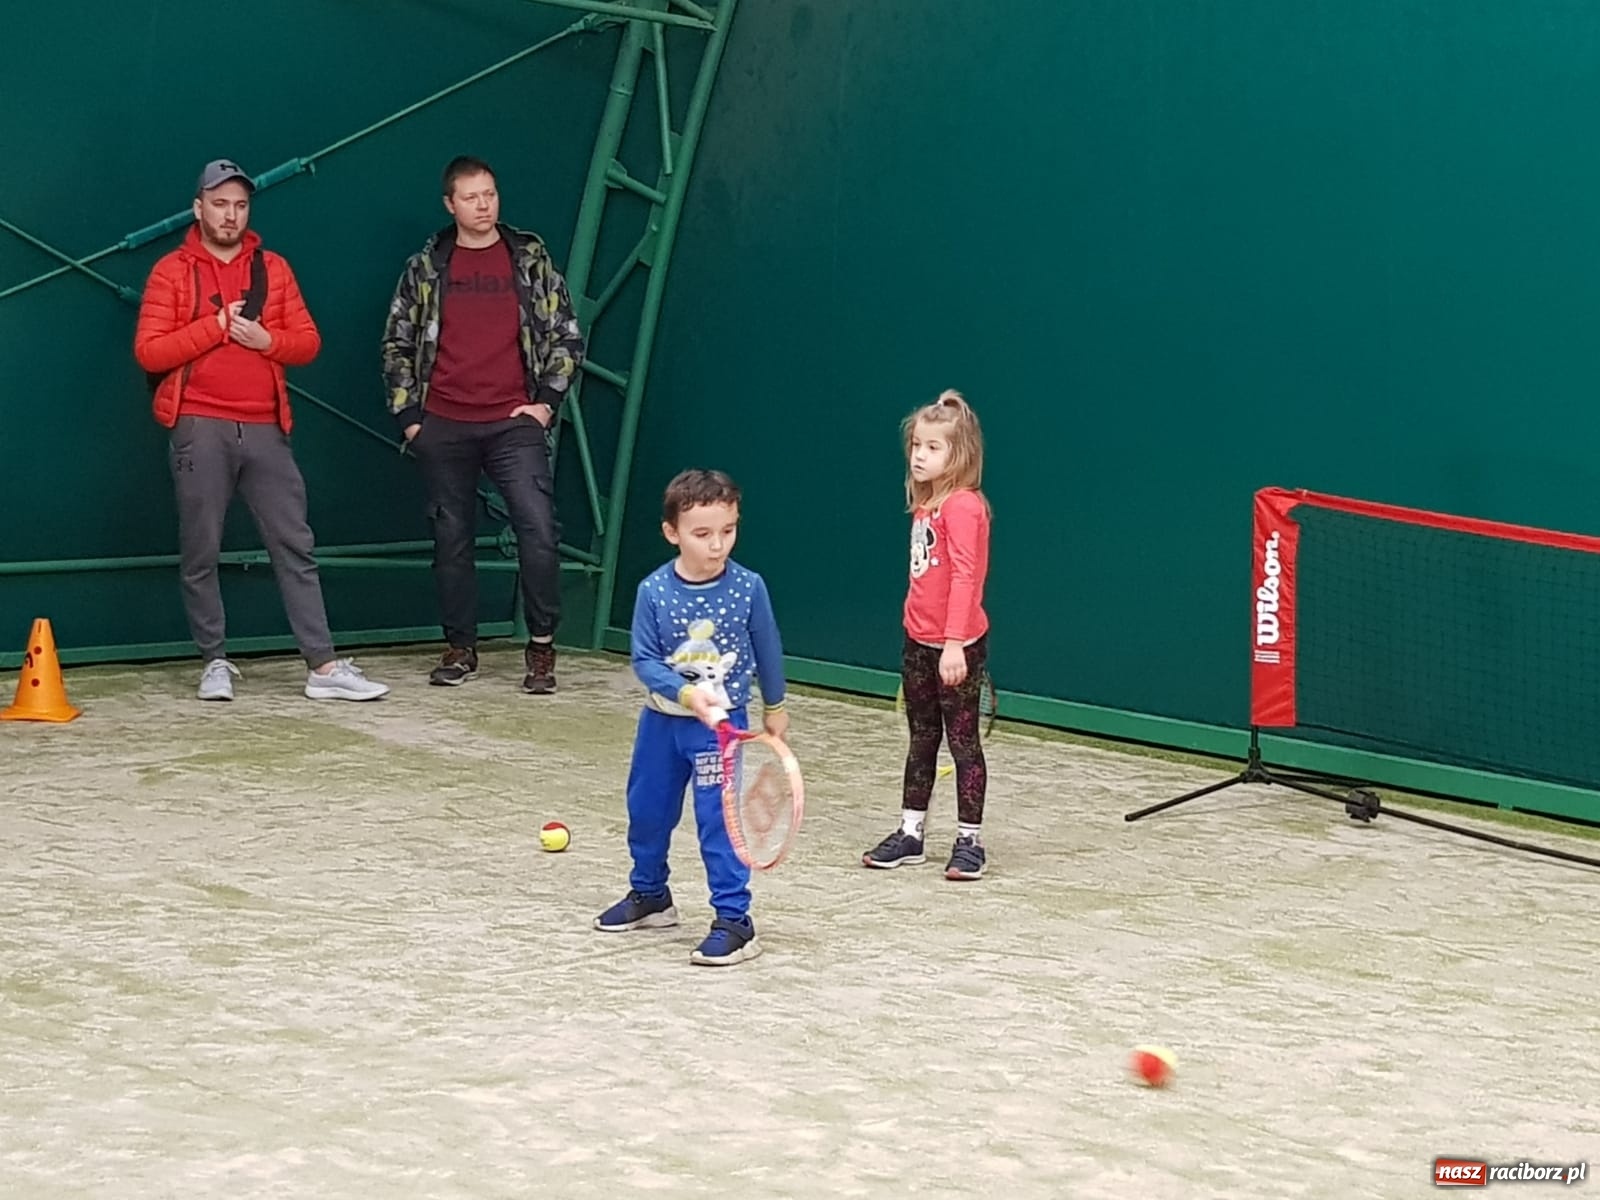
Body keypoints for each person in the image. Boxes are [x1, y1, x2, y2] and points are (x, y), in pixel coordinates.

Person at [133, 159, 389, 704]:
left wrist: (264, 341)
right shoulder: (171, 271)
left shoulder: (273, 268)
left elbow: (308, 342)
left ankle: (322, 667)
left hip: (267, 428)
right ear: (198, 208)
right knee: (200, 548)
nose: (230, 214)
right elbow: (149, 351)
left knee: (295, 542)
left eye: (240, 204)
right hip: (198, 425)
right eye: (219, 204)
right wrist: (215, 327)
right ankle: (214, 662)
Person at [380, 155, 586, 693]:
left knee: (539, 530)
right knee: (451, 540)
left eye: (490, 194)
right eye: (471, 197)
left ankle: (541, 649)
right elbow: (397, 342)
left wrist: (545, 402)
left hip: (514, 421)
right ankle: (459, 648)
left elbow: (566, 333)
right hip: (442, 422)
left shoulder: (529, 258)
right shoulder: (427, 266)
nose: (483, 205)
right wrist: (410, 419)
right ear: (450, 204)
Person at [594, 470, 790, 966]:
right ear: (672, 532)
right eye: (703, 534)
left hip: (720, 732)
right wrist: (685, 695)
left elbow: (767, 648)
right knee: (647, 810)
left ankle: (734, 921)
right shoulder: (653, 591)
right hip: (661, 724)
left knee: (717, 822)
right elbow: (644, 661)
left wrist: (775, 706)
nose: (718, 544)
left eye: (728, 530)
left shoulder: (750, 587)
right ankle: (650, 895)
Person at [862, 390, 993, 880]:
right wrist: (918, 631)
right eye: (917, 445)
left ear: (958, 455)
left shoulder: (964, 507)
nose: (919, 455)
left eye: (933, 448)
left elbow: (965, 576)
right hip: (918, 644)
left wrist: (955, 643)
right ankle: (911, 833)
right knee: (921, 740)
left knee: (962, 744)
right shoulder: (927, 505)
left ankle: (969, 842)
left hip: (955, 648)